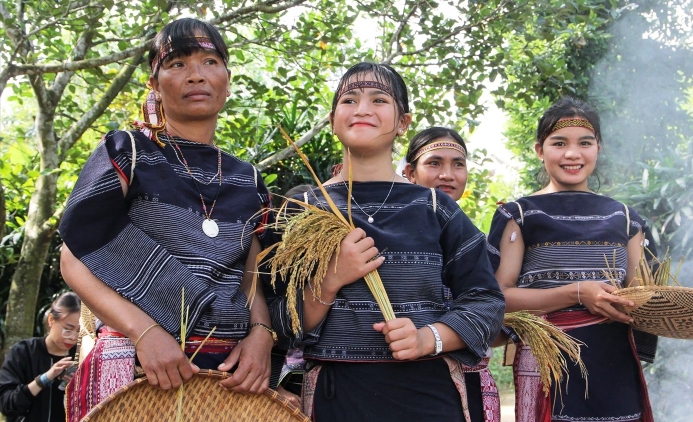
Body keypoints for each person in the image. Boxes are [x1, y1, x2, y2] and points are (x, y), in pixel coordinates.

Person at [58, 18, 280, 421]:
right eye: (177, 64)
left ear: (228, 80)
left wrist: (261, 335)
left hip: (224, 377)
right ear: (155, 84)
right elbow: (74, 258)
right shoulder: (129, 151)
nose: (196, 75)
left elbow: (250, 276)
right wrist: (144, 333)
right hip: (135, 367)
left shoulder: (247, 178)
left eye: (210, 61)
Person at [266, 62, 505, 422]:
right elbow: (273, 321)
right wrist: (330, 280)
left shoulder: (436, 208)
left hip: (429, 395)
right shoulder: (302, 211)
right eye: (350, 100)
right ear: (333, 120)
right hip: (336, 397)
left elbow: (487, 303)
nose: (362, 109)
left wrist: (430, 338)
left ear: (403, 122)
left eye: (379, 99)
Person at [486, 96, 693, 422]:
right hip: (548, 364)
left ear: (599, 148)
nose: (572, 153)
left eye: (585, 142)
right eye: (559, 143)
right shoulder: (519, 214)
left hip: (614, 363)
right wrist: (576, 293)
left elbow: (643, 299)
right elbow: (498, 298)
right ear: (540, 150)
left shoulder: (625, 218)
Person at [403, 127, 501, 422]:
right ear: (410, 172)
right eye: (435, 163)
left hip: (471, 376)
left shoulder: (476, 240)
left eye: (458, 164)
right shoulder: (396, 236)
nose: (448, 174)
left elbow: (489, 304)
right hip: (410, 378)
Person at [0, 292, 80, 422]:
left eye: (79, 332)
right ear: (51, 321)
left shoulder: (82, 356)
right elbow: (7, 404)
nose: (72, 337)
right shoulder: (23, 352)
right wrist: (44, 379)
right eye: (67, 329)